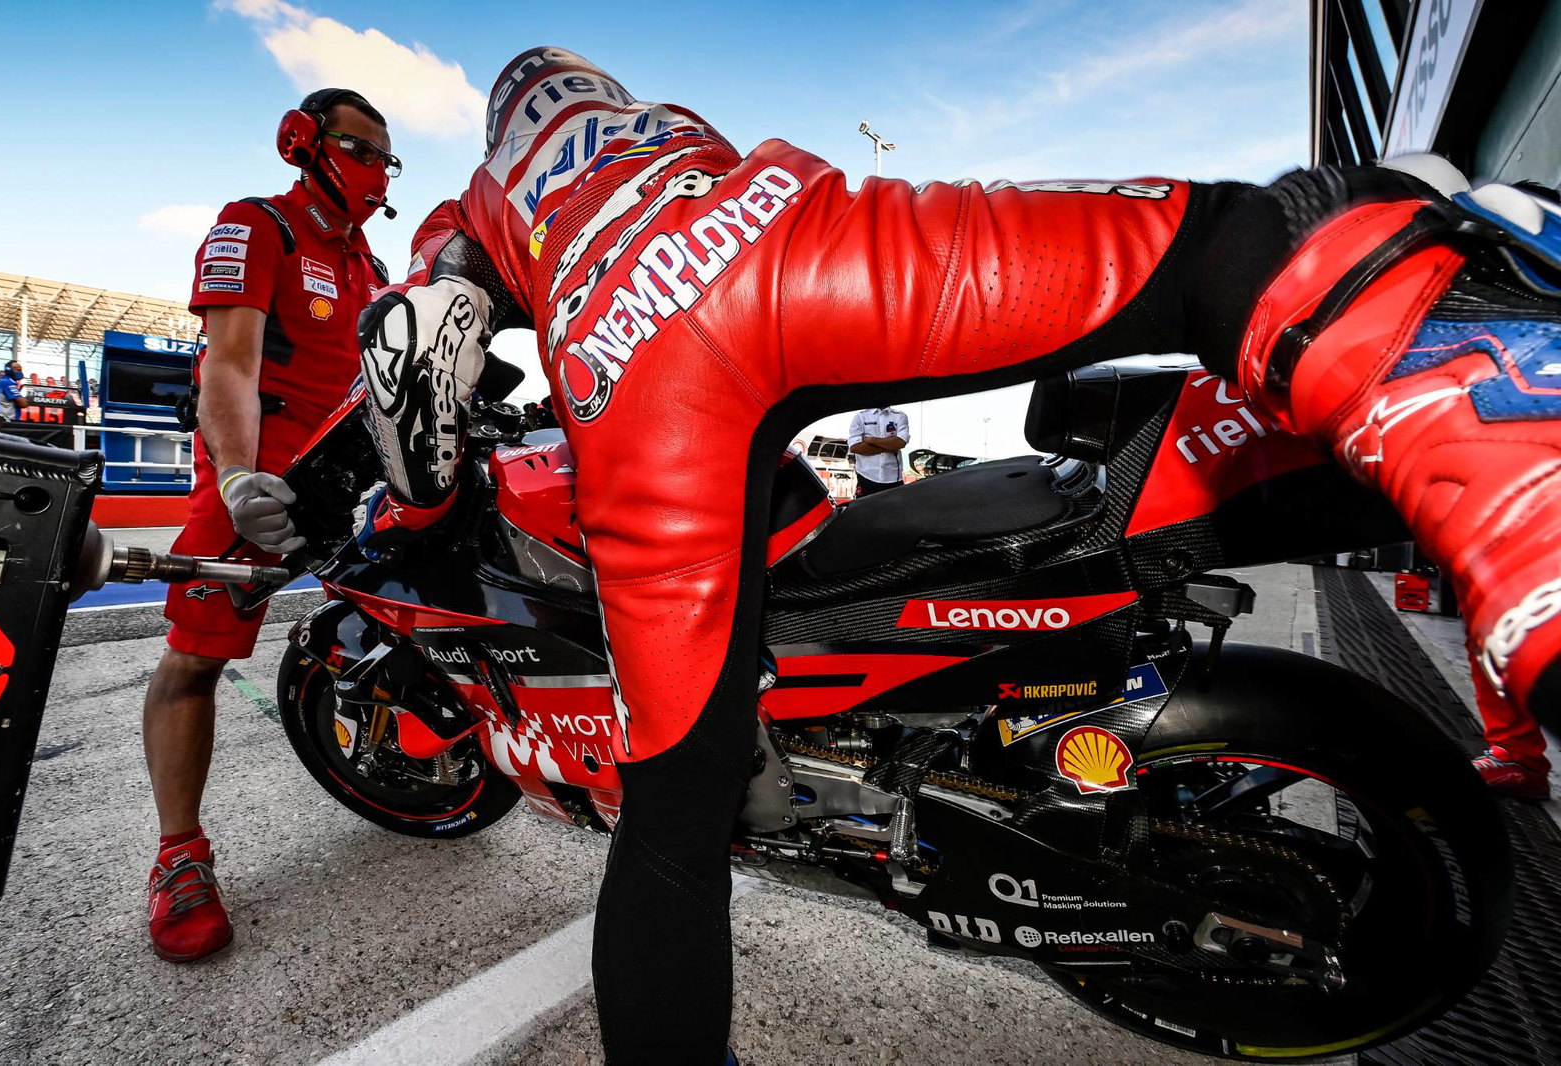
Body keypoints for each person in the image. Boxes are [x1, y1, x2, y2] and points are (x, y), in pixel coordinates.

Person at [235, 46, 1561, 1061]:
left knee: (675, 826)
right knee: (1225, 240)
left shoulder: (479, 201)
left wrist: (410, 509)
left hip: (647, 363)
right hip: (793, 230)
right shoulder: (656, 134)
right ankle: (1478, 403)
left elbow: (416, 359)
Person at [140, 87, 396, 962]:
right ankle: (179, 855)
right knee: (193, 660)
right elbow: (231, 365)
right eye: (363, 150)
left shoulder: (372, 265)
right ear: (303, 142)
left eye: (385, 159)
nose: (377, 172)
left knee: (426, 614)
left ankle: (407, 764)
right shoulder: (258, 225)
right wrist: (243, 475)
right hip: (262, 479)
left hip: (353, 480)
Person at [846, 406, 909, 496]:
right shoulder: (860, 417)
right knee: (865, 510)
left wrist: (871, 440)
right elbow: (855, 447)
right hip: (866, 477)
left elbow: (901, 442)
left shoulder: (900, 416)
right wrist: (889, 446)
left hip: (894, 479)